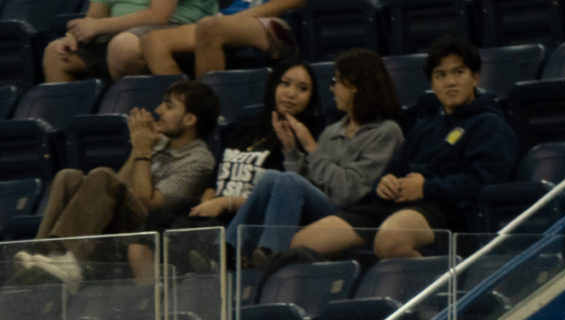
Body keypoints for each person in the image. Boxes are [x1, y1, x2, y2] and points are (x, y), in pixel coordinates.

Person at [273, 38, 514, 265]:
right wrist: (384, 183)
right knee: (302, 243)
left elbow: (484, 182)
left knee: (391, 239)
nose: (450, 82)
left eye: (458, 72)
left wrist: (425, 188)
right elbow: (393, 169)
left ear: (475, 77)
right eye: (441, 75)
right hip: (392, 206)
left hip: (447, 210)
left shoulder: (489, 125)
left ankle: (438, 301)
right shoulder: (425, 126)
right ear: (432, 84)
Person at [13, 81, 219, 291]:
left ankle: (70, 263)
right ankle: (45, 255)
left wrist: (142, 150)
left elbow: (147, 204)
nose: (158, 110)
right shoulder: (158, 142)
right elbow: (118, 187)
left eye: (169, 106)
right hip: (123, 225)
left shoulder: (199, 160)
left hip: (147, 235)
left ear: (190, 119)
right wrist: (138, 151)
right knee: (68, 176)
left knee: (102, 175)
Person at [229, 49, 404, 263]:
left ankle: (271, 254)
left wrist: (311, 147)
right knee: (273, 177)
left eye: (337, 81)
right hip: (322, 209)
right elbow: (306, 185)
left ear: (355, 86)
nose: (332, 88)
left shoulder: (385, 132)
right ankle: (226, 250)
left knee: (287, 179)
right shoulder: (332, 131)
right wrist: (291, 149)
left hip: (354, 216)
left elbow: (348, 193)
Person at [185, 61, 310, 229]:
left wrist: (226, 203)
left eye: (302, 88)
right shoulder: (245, 128)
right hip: (216, 218)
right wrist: (206, 208)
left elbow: (280, 203)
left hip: (252, 223)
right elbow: (214, 182)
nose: (291, 94)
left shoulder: (303, 142)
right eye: (285, 83)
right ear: (273, 86)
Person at [45, 0, 217, 83]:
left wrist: (99, 25)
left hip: (176, 28)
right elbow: (95, 16)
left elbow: (158, 15)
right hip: (116, 32)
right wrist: (73, 37)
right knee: (56, 53)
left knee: (122, 47)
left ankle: (138, 115)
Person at [142, 0, 304, 76]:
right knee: (153, 40)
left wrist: (233, 20)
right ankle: (184, 106)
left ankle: (205, 110)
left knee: (210, 27)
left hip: (273, 21)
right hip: (225, 19)